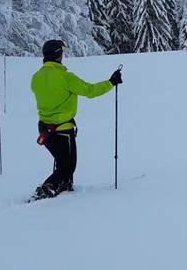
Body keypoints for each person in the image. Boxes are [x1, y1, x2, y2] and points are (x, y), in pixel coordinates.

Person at [30, 39, 122, 200]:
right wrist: (111, 82)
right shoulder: (65, 77)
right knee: (67, 167)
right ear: (58, 55)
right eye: (62, 52)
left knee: (62, 162)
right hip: (62, 130)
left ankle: (65, 188)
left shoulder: (36, 77)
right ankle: (47, 189)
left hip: (44, 129)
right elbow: (90, 91)